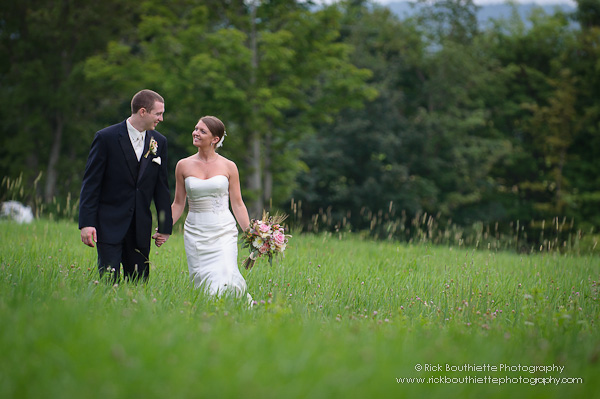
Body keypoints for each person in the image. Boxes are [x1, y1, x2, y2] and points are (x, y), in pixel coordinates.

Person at [79, 89, 173, 283]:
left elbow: (161, 188)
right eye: (158, 113)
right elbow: (91, 184)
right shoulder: (106, 137)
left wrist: (165, 226)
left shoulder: (159, 142)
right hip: (109, 225)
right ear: (142, 111)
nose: (161, 119)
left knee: (139, 284)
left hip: (140, 228)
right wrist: (86, 223)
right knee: (107, 282)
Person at [170, 116, 252, 299]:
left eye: (202, 131)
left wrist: (252, 233)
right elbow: (178, 203)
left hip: (223, 230)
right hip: (195, 231)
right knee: (202, 278)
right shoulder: (182, 165)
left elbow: (238, 204)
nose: (195, 133)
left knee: (226, 272)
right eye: (195, 128)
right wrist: (164, 227)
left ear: (215, 139)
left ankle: (235, 309)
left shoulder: (229, 166)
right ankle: (208, 314)